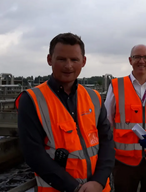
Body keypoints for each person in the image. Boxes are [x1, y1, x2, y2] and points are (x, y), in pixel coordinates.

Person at [16, 33, 115, 192]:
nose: (68, 66)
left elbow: (107, 142)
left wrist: (99, 181)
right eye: (62, 59)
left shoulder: (94, 98)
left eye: (74, 60)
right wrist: (75, 188)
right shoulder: (32, 100)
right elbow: (34, 155)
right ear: (50, 59)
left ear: (83, 61)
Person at [104, 44, 146, 192]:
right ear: (130, 60)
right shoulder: (116, 85)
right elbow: (107, 121)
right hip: (124, 161)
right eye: (137, 57)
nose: (142, 61)